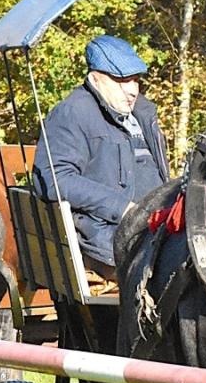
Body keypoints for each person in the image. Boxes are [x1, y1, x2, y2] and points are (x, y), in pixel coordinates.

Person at [33, 35, 170, 276]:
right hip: (108, 234)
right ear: (95, 77)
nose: (132, 90)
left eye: (136, 80)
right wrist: (125, 208)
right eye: (121, 80)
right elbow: (55, 178)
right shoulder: (72, 112)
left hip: (158, 226)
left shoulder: (142, 112)